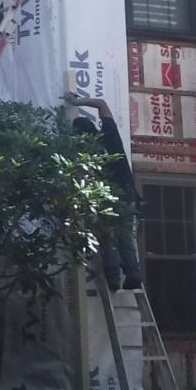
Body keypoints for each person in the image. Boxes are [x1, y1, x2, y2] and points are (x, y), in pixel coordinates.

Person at [66, 95, 144, 291]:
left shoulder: (88, 155)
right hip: (127, 193)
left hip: (107, 197)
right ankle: (133, 272)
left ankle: (113, 278)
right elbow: (102, 104)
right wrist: (77, 102)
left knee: (108, 238)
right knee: (124, 234)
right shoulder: (110, 133)